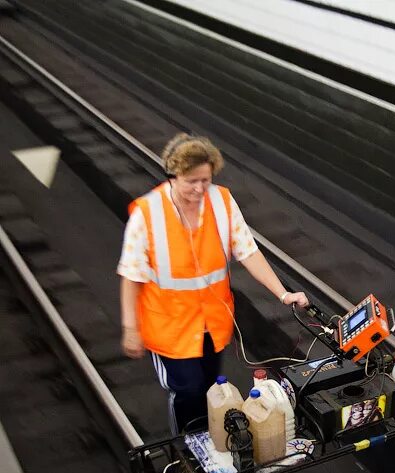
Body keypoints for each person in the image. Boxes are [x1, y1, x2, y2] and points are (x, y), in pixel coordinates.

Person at [117, 133, 309, 435]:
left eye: (204, 180)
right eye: (190, 181)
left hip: (212, 324)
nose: (198, 189)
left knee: (209, 387)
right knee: (187, 392)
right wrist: (130, 328)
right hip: (171, 329)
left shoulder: (221, 201)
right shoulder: (147, 213)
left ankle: (211, 441)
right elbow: (131, 275)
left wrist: (283, 294)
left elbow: (248, 252)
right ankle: (188, 450)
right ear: (173, 174)